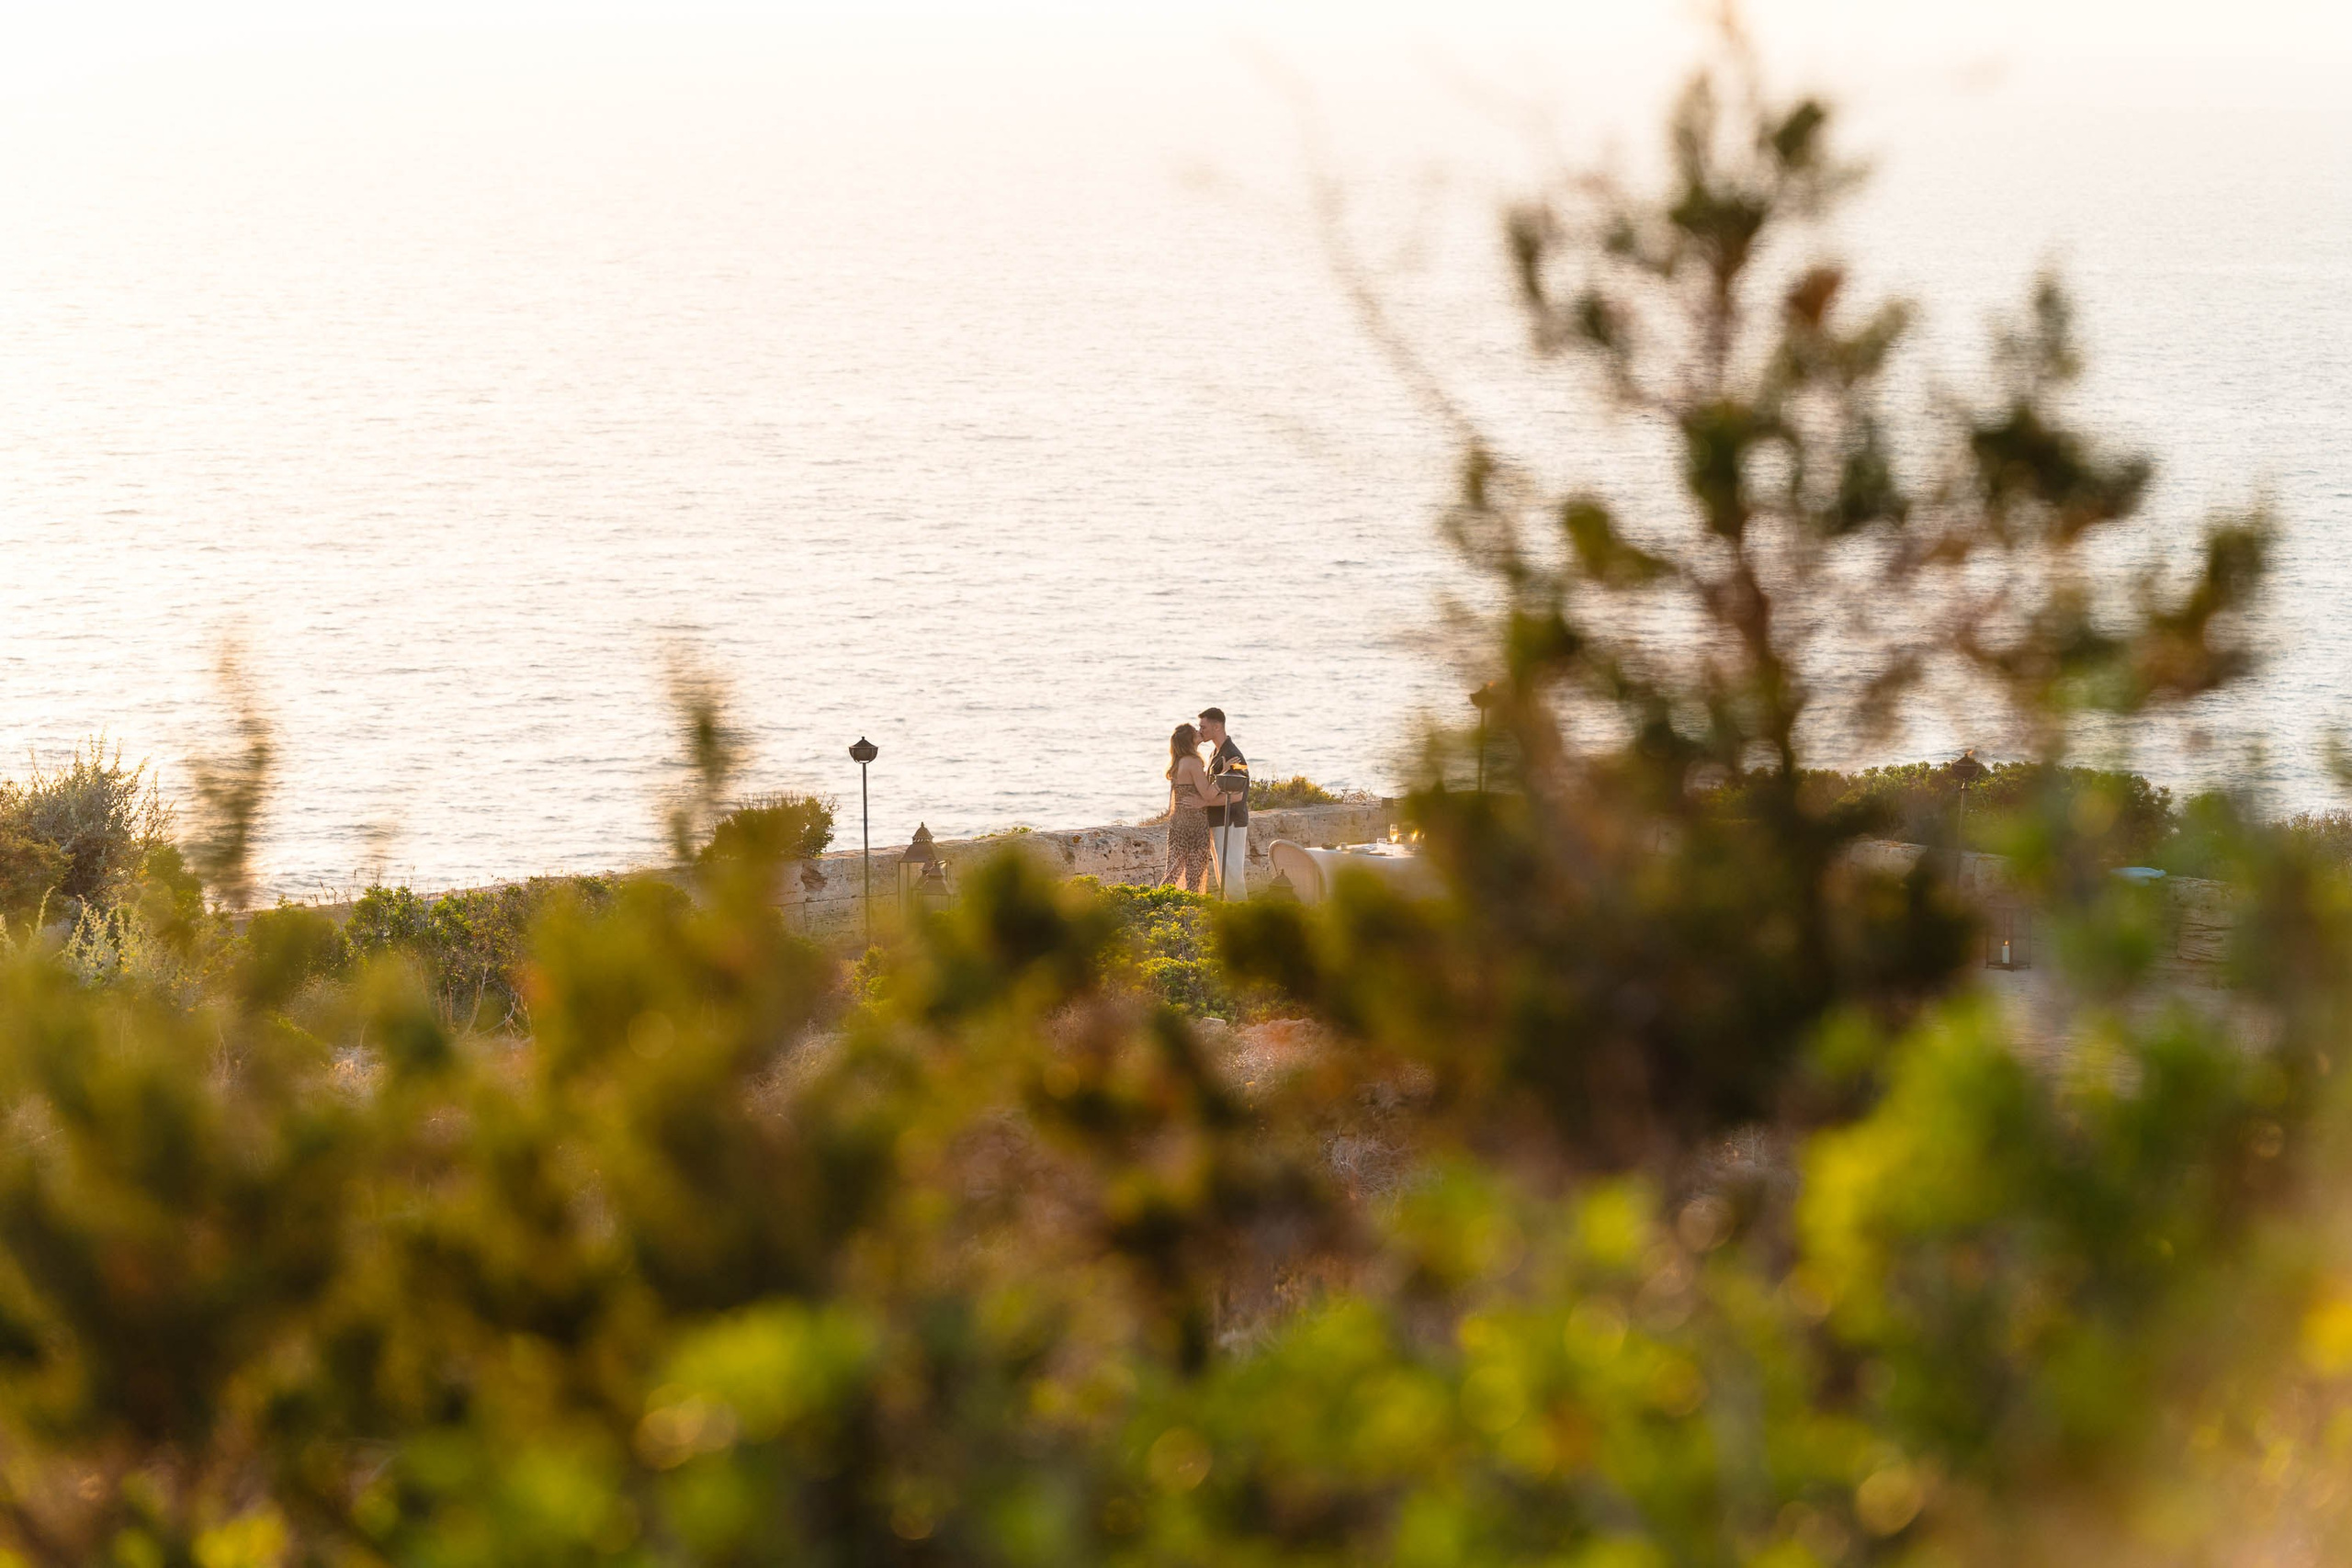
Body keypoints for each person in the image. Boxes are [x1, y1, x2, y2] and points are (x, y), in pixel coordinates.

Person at [1159, 722, 1219, 893]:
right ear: (1189, 740)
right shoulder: (1193, 762)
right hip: (1194, 824)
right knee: (1194, 874)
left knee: (1172, 871)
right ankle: (1189, 912)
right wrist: (1224, 779)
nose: (1199, 731)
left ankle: (1162, 904)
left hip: (1178, 824)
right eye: (1195, 731)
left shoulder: (1179, 762)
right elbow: (1207, 794)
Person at [1197, 706, 1250, 898]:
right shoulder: (1214, 754)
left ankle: (1244, 918)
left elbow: (1237, 795)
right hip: (1218, 821)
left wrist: (1203, 803)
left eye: (1203, 726)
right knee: (1223, 878)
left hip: (1232, 822)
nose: (1200, 730)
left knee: (1232, 875)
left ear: (1217, 726)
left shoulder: (1235, 755)